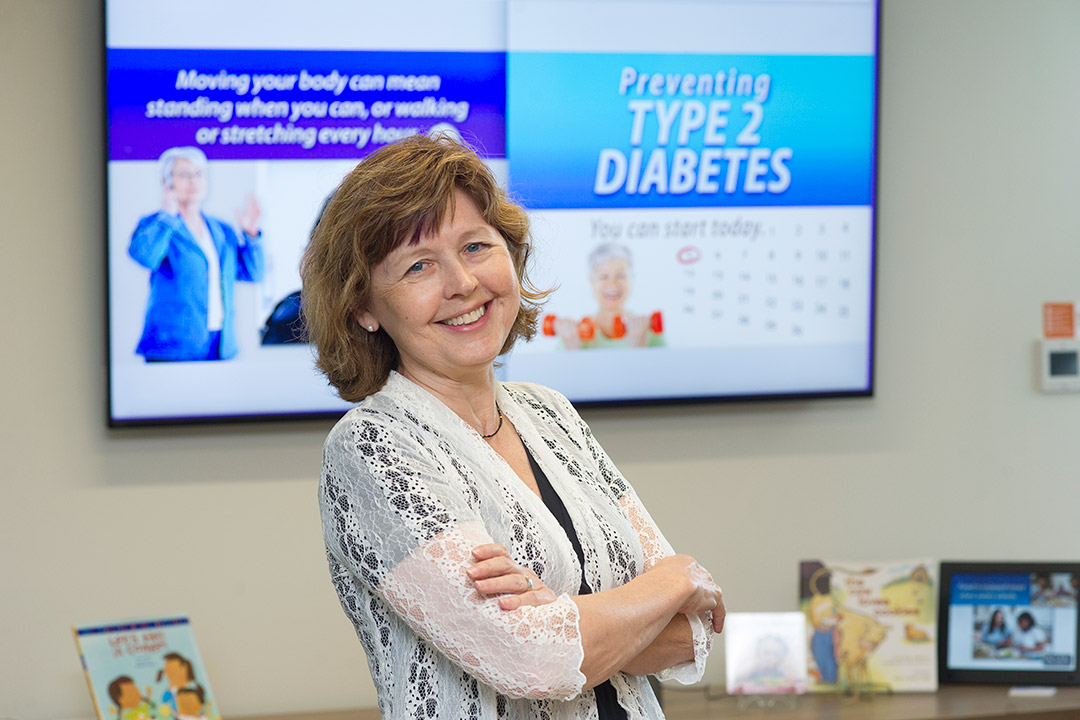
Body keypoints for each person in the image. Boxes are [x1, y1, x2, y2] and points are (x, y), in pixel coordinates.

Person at [301, 134, 724, 720]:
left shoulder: (551, 413)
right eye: (419, 265)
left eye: (475, 246)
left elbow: (689, 632)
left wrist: (557, 611)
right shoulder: (371, 447)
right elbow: (535, 661)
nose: (463, 283)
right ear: (364, 308)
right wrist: (671, 581)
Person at [129, 146, 265, 361]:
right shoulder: (157, 224)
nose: (193, 180)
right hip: (173, 346)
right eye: (184, 174)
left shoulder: (221, 229)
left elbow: (253, 273)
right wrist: (168, 215)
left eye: (199, 174)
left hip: (220, 344)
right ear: (167, 182)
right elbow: (145, 257)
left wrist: (251, 236)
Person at [554, 243, 664, 350]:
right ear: (592, 281)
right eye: (603, 276)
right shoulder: (571, 336)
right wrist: (572, 348)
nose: (612, 284)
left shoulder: (651, 335)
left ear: (631, 279)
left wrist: (639, 347)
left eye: (620, 276)